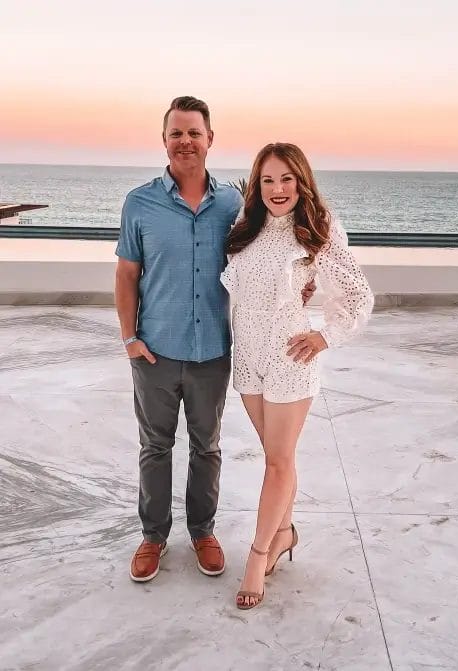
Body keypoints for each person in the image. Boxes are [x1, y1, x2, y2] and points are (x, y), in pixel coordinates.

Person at [115, 98, 315, 583]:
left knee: (207, 446)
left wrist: (305, 286)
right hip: (155, 351)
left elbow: (275, 245)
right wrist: (130, 338)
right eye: (176, 133)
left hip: (212, 353)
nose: (185, 141)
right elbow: (126, 274)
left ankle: (203, 532)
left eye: (194, 133)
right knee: (155, 447)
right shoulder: (139, 203)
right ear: (165, 140)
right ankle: (153, 537)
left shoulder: (234, 205)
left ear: (210, 139)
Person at [221, 142, 374, 609]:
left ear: (301, 182)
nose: (277, 189)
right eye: (267, 179)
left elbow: (358, 296)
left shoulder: (318, 229)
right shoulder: (245, 226)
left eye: (286, 178)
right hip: (247, 358)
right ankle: (284, 532)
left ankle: (258, 555)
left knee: (277, 463)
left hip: (290, 359)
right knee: (277, 457)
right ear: (256, 185)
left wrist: (324, 336)